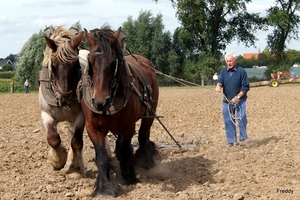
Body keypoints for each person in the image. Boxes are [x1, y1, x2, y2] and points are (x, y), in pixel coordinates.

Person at [215, 52, 250, 147]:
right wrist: (218, 86)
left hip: (240, 100)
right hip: (227, 101)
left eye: (230, 61)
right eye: (227, 61)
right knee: (228, 120)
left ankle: (243, 140)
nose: (229, 63)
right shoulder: (223, 71)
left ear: (235, 61)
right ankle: (231, 141)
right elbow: (220, 81)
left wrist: (237, 97)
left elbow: (245, 87)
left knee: (241, 118)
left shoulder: (241, 71)